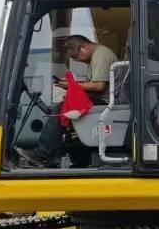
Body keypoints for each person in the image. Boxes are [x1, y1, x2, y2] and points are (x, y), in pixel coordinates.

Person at [14, 34, 118, 168]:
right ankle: (55, 156)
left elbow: (99, 86)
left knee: (63, 108)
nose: (78, 61)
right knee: (65, 105)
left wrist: (72, 86)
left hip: (107, 102)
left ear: (83, 47)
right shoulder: (96, 56)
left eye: (76, 57)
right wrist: (72, 86)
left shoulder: (100, 55)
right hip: (104, 100)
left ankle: (42, 154)